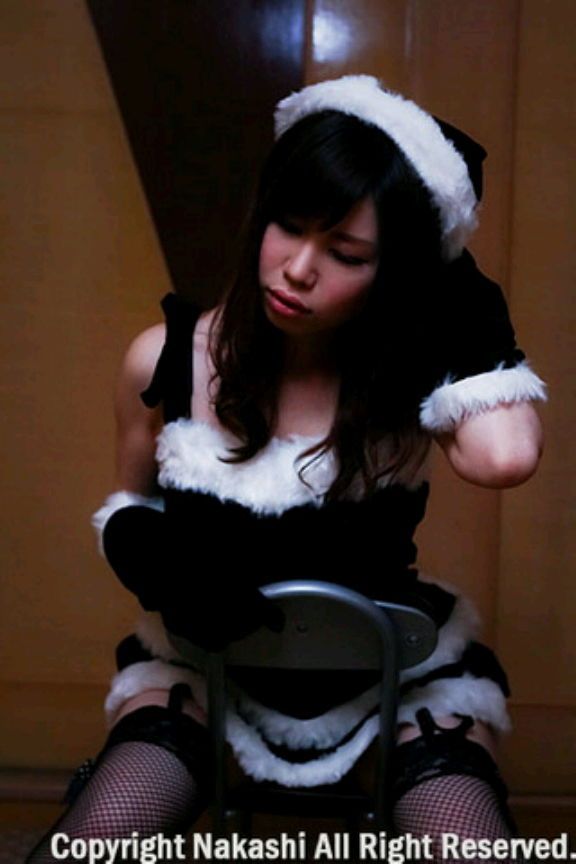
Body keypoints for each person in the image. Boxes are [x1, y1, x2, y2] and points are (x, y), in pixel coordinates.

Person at [27, 75, 546, 860]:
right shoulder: (164, 358)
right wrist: (157, 561)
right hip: (207, 671)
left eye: (345, 253)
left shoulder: (411, 375)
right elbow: (129, 510)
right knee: (91, 843)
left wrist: (454, 280)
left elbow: (505, 457)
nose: (298, 268)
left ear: (395, 270)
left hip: (391, 675)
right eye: (288, 227)